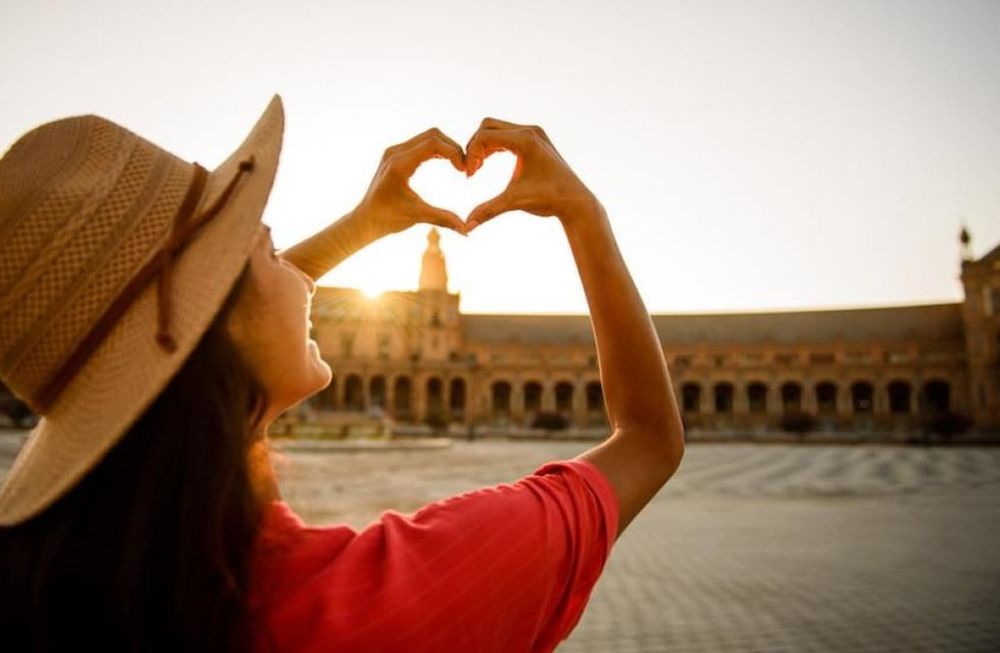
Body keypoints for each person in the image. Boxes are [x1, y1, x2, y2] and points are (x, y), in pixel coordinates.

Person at [0, 96, 684, 651]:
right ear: (222, 332)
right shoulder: (389, 600)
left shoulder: (65, 573)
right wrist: (583, 213)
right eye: (265, 245)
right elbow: (650, 437)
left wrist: (360, 225)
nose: (301, 277)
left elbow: (200, 340)